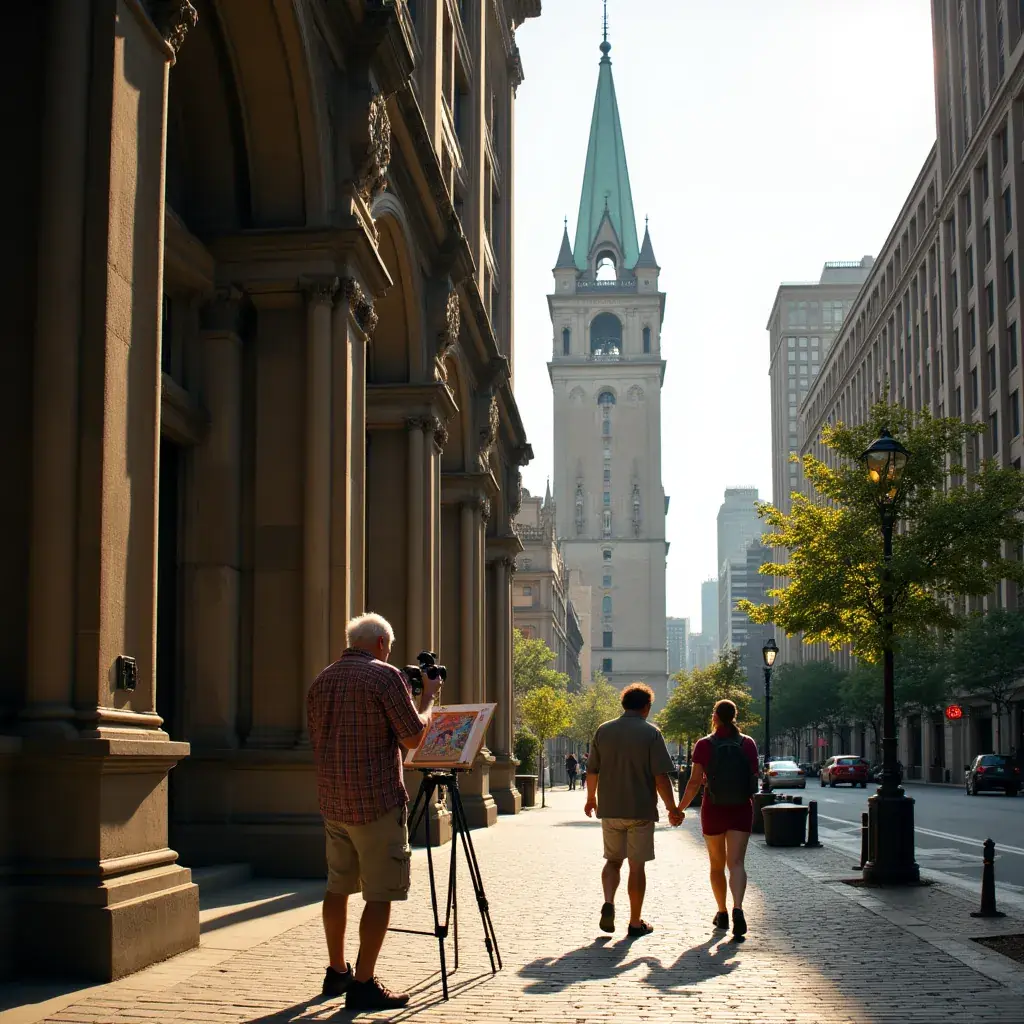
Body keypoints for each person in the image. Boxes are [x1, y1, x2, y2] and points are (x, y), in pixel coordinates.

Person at [306, 613, 441, 1011]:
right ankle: (363, 984)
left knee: (337, 886)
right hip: (377, 801)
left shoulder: (322, 680)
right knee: (380, 892)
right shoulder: (385, 677)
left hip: (333, 801)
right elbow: (414, 736)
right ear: (382, 643)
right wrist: (429, 698)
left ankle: (337, 971)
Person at [584, 683, 683, 938]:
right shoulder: (651, 733)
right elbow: (661, 778)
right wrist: (673, 808)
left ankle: (609, 901)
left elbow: (592, 770)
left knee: (613, 861)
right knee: (636, 868)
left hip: (611, 809)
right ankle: (635, 922)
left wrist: (591, 799)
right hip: (640, 811)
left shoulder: (603, 731)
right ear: (647, 707)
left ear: (624, 704)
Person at [678, 699, 759, 939]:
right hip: (741, 808)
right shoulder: (748, 743)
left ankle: (722, 912)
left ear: (715, 717)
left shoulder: (704, 744)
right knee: (737, 864)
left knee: (716, 864)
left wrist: (679, 809)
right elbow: (754, 776)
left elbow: (694, 782)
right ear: (735, 716)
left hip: (713, 808)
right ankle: (738, 909)